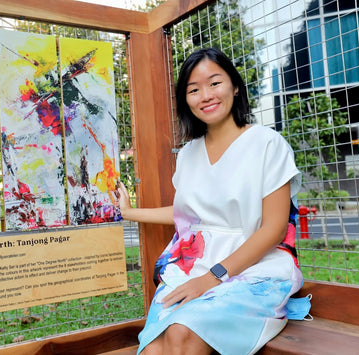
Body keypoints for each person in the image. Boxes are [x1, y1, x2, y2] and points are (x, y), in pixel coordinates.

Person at [117, 48, 304, 355]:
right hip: (193, 268)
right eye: (193, 90)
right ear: (186, 101)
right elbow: (188, 215)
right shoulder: (188, 154)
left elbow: (273, 229)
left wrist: (213, 277)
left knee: (182, 332)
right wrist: (128, 212)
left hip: (254, 270)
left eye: (214, 83)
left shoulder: (267, 144)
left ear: (235, 86)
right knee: (154, 347)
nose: (205, 95)